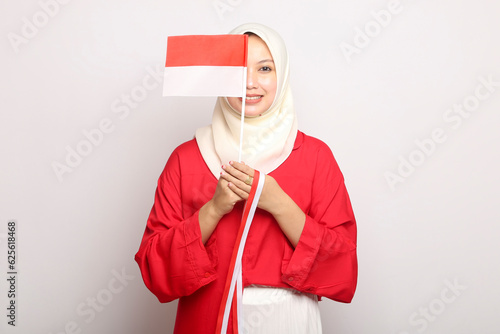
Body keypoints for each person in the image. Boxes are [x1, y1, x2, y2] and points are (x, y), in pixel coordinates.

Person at [135, 23, 357, 334]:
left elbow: (343, 265)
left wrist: (278, 203)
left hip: (290, 321)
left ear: (282, 75)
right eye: (237, 70)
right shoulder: (186, 159)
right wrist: (214, 209)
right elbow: (154, 268)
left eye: (265, 68)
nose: (250, 83)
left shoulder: (316, 157)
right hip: (210, 318)